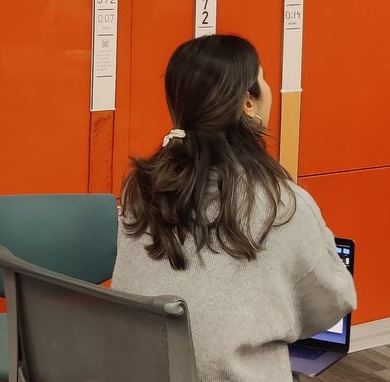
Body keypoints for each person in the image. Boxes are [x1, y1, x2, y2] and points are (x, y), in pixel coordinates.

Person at [112, 34, 355, 381]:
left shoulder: (141, 189)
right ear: (248, 104)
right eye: (263, 77)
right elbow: (333, 301)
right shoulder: (283, 204)